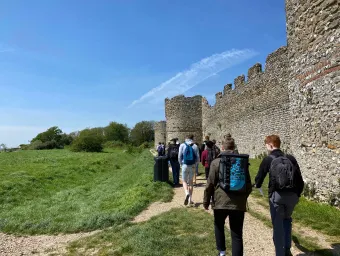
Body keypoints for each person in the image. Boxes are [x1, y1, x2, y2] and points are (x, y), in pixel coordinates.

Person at [254, 135, 304, 256]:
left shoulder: (268, 159)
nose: (266, 147)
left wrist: (257, 185)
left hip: (277, 196)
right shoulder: (290, 158)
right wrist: (297, 195)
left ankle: (280, 253)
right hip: (292, 196)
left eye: (266, 145)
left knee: (277, 226)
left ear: (271, 145)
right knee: (287, 220)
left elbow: (259, 179)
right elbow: (300, 180)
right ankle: (287, 249)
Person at [204, 139, 252, 256]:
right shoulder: (241, 162)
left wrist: (206, 201)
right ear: (234, 147)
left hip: (220, 202)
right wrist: (243, 198)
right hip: (238, 204)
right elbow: (249, 185)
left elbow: (210, 184)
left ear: (222, 148)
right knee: (236, 233)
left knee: (219, 225)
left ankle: (222, 252)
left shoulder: (216, 162)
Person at [178, 134, 200, 205]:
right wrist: (196, 165)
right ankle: (190, 199)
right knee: (191, 182)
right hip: (192, 165)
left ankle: (186, 193)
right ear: (192, 138)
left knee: (184, 181)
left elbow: (179, 156)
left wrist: (181, 164)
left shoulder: (182, 145)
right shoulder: (195, 146)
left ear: (186, 138)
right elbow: (198, 157)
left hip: (185, 165)